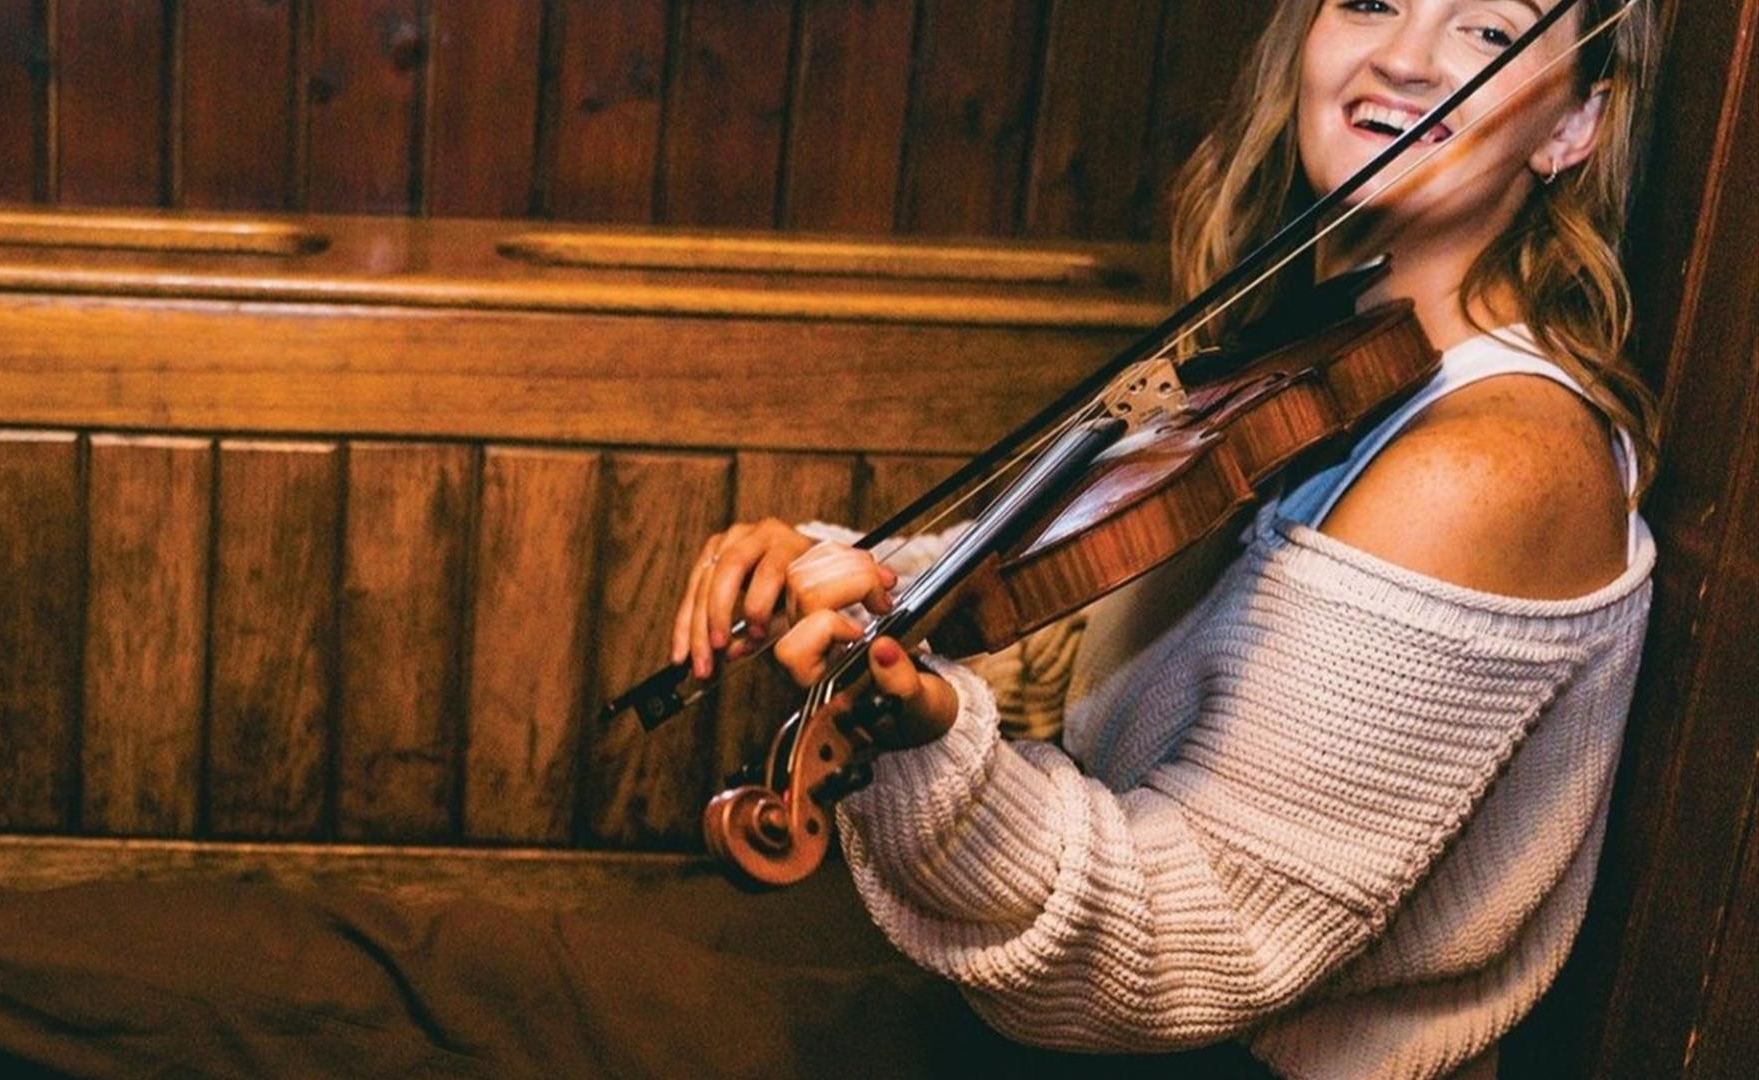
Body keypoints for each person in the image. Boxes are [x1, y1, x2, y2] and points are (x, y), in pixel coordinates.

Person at [672, 1, 1660, 1077]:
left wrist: (928, 730)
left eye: (1488, 31)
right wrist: (845, 577)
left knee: (469, 979)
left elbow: (1195, 942)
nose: (1404, 57)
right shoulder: (1326, 340)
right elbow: (1096, 597)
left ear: (1576, 129)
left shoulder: (1486, 468)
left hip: (1203, 1055)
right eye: (1371, 0)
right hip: (1053, 1021)